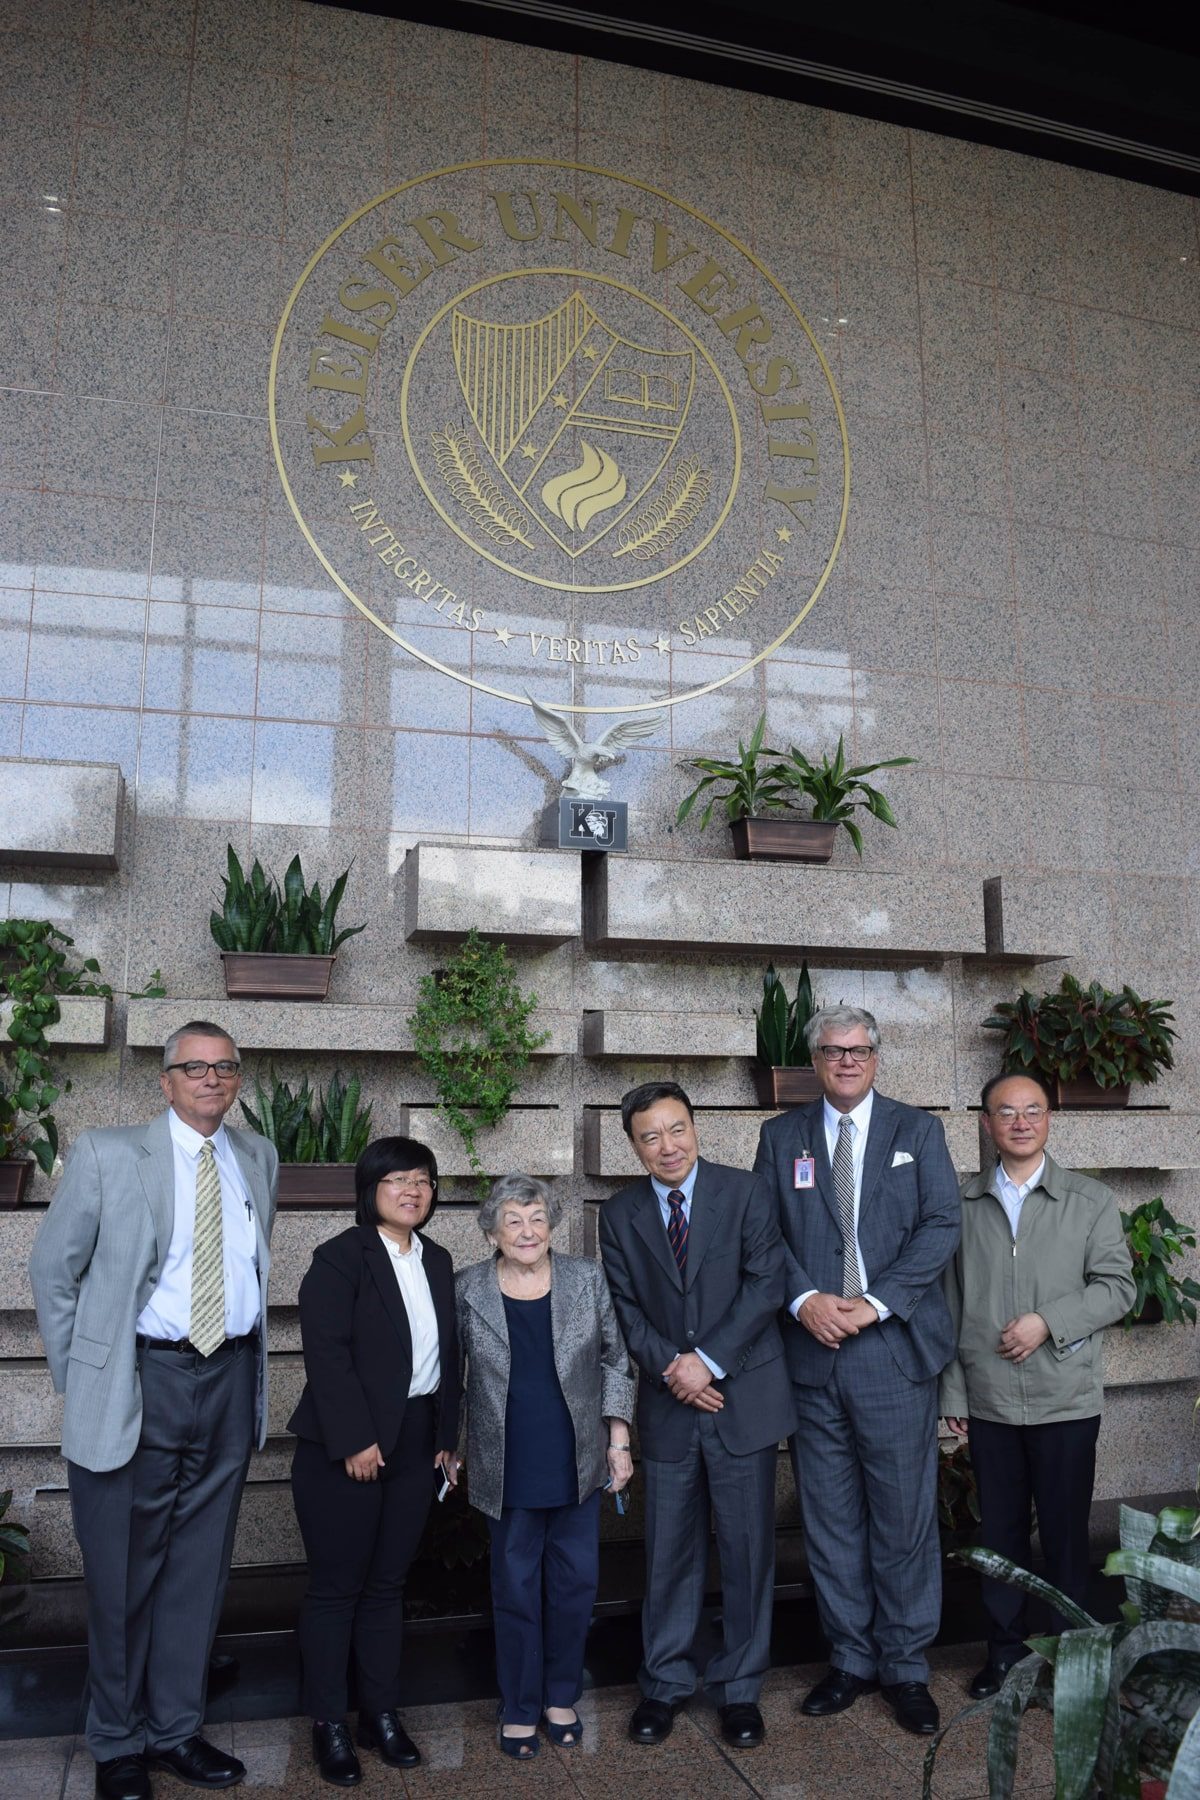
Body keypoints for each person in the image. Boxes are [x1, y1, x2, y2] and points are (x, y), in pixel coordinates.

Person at [29, 1021, 277, 1800]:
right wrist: (87, 1376)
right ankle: (116, 1741)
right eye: (194, 1067)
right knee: (122, 1574)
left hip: (229, 1377)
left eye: (225, 1067)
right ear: (164, 1082)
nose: (212, 1078)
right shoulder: (109, 1154)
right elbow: (53, 1273)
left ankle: (175, 1731)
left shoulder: (257, 1158)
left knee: (198, 1572)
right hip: (141, 1380)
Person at [753, 1005, 960, 1737]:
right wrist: (806, 1299)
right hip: (812, 1353)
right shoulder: (780, 1138)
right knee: (830, 1516)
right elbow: (764, 1233)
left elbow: (943, 1226)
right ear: (814, 1059)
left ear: (877, 1056)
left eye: (859, 1049)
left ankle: (905, 1666)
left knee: (902, 1516)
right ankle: (849, 1658)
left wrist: (873, 1304)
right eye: (833, 1050)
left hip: (890, 1350)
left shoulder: (917, 1131)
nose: (846, 1061)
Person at [599, 1082, 794, 1751]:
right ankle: (665, 1685)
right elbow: (624, 1308)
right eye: (649, 1136)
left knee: (746, 1553)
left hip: (742, 1397)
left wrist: (707, 1360)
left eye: (676, 1129)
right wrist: (674, 1369)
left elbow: (768, 1282)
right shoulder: (619, 1214)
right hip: (669, 1406)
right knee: (669, 1556)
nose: (667, 1146)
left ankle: (740, 1690)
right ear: (633, 1145)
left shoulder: (745, 1192)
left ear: (696, 1127)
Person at [941, 1072, 1135, 1697]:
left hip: (1065, 1399)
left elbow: (1117, 1287)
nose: (1021, 1122)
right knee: (998, 1537)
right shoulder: (963, 1203)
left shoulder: (1089, 1200)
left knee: (1065, 1536)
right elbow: (949, 1305)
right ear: (986, 1123)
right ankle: (1002, 1656)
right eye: (1006, 1112)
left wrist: (1047, 1321)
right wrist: (953, 1397)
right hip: (990, 1400)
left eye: (1033, 1110)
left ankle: (1070, 1662)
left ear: (1050, 1118)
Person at [288, 1135, 460, 1786]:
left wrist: (447, 1435)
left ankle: (380, 1713)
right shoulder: (340, 1258)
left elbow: (449, 1359)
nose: (412, 1190)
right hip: (349, 1444)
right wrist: (356, 1439)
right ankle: (329, 1722)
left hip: (419, 1441)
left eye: (423, 1179)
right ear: (371, 1191)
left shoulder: (438, 1260)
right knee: (338, 1589)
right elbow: (325, 1353)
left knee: (389, 1586)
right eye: (397, 1180)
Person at [456, 1173, 634, 1759]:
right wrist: (449, 1443)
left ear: (552, 1225)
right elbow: (447, 1378)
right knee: (514, 1588)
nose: (527, 1231)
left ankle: (561, 1697)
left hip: (577, 1461)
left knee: (574, 1586)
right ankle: (520, 1705)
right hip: (505, 1464)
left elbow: (616, 1360)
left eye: (537, 1219)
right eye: (513, 1220)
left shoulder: (586, 1279)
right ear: (492, 1232)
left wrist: (619, 1441)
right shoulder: (467, 1289)